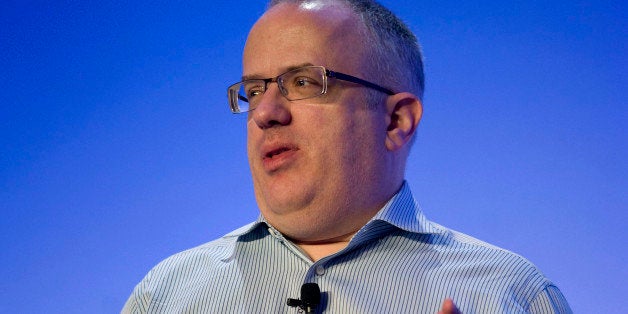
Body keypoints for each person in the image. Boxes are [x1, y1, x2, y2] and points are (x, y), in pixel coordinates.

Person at [123, 0, 572, 313]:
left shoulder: (511, 296)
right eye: (254, 91)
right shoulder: (165, 296)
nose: (265, 113)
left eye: (302, 82)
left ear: (396, 121)